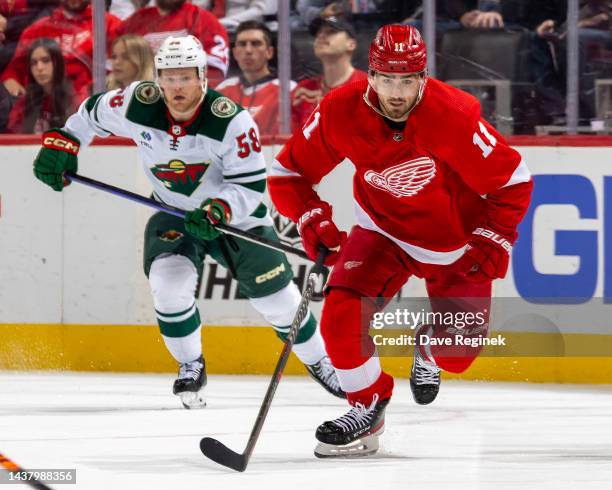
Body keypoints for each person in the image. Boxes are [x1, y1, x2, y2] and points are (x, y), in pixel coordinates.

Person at [32, 35, 344, 409]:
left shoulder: (232, 121)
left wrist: (218, 210)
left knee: (279, 301)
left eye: (186, 77)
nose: (177, 87)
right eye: (169, 77)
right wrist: (65, 141)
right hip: (173, 211)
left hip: (234, 220)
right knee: (168, 284)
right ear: (158, 78)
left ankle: (320, 362)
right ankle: (191, 364)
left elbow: (249, 187)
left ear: (203, 77)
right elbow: (92, 114)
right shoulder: (137, 101)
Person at [269, 24, 533, 457]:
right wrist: (310, 216)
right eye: (386, 78)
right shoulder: (339, 109)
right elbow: (288, 174)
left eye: (406, 80)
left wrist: (493, 238)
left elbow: (514, 181)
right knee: (339, 316)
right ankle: (366, 407)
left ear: (422, 78)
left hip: (455, 244)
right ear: (370, 75)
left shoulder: (454, 115)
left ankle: (428, 347)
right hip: (381, 231)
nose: (396, 91)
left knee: (457, 356)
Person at [1, 0, 120, 103]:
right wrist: (12, 84)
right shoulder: (36, 30)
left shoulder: (111, 25)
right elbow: (14, 71)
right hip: (42, 108)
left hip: (90, 106)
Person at [116, 0, 230, 88]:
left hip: (183, 99)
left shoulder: (204, 20)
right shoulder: (136, 20)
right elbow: (116, 65)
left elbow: (215, 73)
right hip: (141, 97)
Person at [216, 21, 295, 136]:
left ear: (269, 52)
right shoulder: (222, 91)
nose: (248, 50)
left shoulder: (288, 90)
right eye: (242, 44)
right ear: (235, 53)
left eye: (256, 44)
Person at [292, 16, 367, 129]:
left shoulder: (369, 88)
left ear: (351, 44)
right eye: (318, 33)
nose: (321, 36)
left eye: (331, 32)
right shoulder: (303, 90)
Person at [7, 38, 75, 133]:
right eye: (34, 63)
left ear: (57, 63)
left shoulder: (75, 98)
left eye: (46, 60)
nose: (39, 68)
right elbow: (14, 138)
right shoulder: (24, 103)